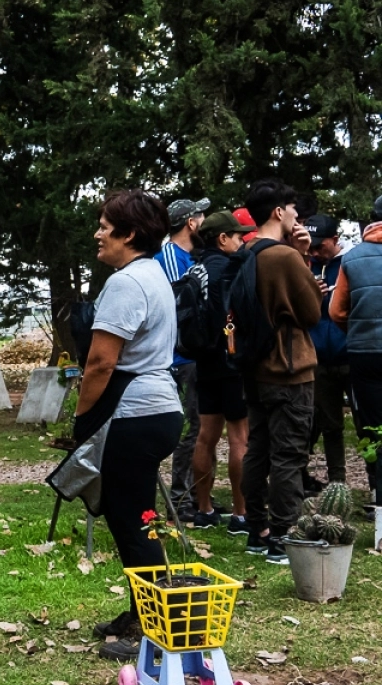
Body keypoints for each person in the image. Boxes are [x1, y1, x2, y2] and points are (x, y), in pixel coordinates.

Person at [80, 190, 184, 661]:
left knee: (130, 523)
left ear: (130, 234)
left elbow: (100, 363)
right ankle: (143, 611)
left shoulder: (125, 283)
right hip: (159, 409)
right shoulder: (152, 274)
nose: (98, 234)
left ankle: (151, 629)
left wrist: (82, 420)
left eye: (106, 226)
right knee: (136, 518)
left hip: (134, 413)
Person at [239, 179, 323, 565]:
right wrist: (303, 259)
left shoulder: (248, 250)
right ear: (278, 212)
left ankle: (257, 530)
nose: (296, 216)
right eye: (292, 209)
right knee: (289, 455)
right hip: (288, 368)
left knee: (258, 449)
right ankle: (284, 536)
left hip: (254, 368)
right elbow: (311, 314)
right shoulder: (284, 257)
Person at [189, 211, 253, 534]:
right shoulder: (230, 268)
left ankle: (204, 509)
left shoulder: (195, 268)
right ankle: (241, 515)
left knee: (206, 436)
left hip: (203, 362)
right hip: (231, 360)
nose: (242, 242)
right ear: (222, 238)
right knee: (239, 437)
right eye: (237, 236)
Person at [158, 197, 210, 521]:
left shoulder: (191, 255)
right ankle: (179, 501)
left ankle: (194, 497)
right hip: (179, 357)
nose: (204, 220)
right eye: (201, 216)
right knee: (189, 429)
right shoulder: (171, 258)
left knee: (199, 427)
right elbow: (182, 308)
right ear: (191, 223)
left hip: (192, 355)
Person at [329, 194, 382, 507]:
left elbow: (336, 311)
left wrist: (359, 327)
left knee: (373, 424)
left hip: (364, 353)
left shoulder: (352, 258)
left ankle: (378, 492)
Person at [305, 215, 351, 488]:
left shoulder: (349, 264)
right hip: (318, 356)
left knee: (365, 424)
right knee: (329, 424)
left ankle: (374, 486)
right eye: (310, 247)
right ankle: (338, 482)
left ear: (335, 240)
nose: (314, 252)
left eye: (319, 246)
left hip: (349, 353)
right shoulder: (306, 266)